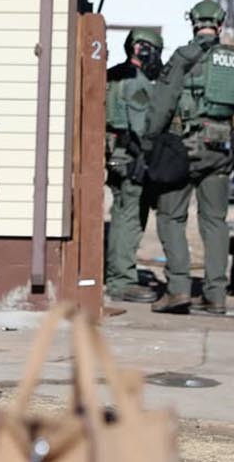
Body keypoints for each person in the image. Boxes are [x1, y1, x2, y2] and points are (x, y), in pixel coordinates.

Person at [144, 0, 234, 315]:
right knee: (215, 222)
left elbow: (162, 104)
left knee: (170, 217)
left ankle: (178, 289)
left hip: (184, 149)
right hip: (221, 150)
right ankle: (215, 294)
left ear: (193, 24)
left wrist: (149, 143)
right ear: (220, 25)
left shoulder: (184, 57)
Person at [104, 28, 164, 303]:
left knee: (120, 214)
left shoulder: (114, 74)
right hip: (129, 157)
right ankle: (121, 281)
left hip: (114, 154)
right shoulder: (137, 82)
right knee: (129, 218)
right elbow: (141, 128)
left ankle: (118, 274)